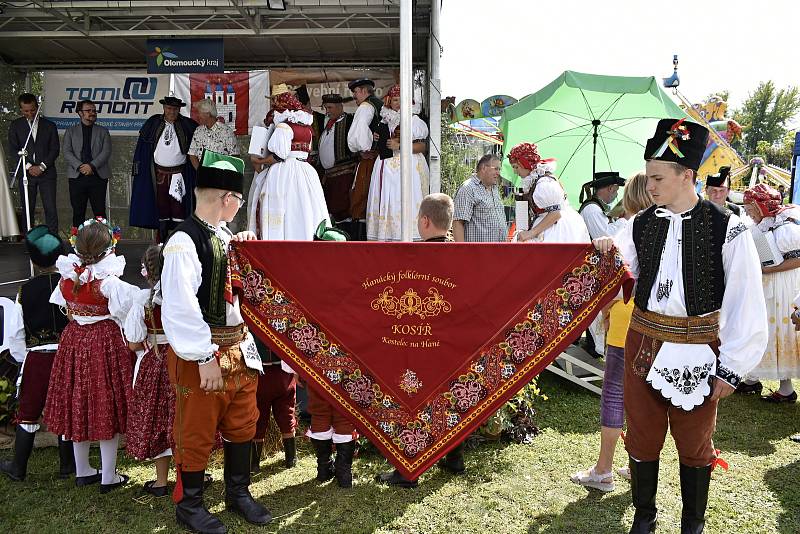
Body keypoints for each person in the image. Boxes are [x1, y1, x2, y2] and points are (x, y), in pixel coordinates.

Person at [593, 118, 767, 533]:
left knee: (694, 444)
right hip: (643, 341)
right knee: (642, 436)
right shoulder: (638, 224)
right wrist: (604, 249)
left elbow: (745, 300)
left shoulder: (729, 228)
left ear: (687, 175)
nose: (649, 186)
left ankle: (693, 524)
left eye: (657, 177)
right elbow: (620, 266)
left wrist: (732, 365)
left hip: (701, 346)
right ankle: (644, 518)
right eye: (649, 176)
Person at [161, 150, 270, 532]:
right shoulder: (182, 242)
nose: (238, 208)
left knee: (242, 424)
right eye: (238, 202)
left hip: (238, 348)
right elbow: (178, 307)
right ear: (227, 199)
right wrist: (203, 355)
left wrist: (243, 240)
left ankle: (237, 493)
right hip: (204, 354)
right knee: (196, 431)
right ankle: (189, 505)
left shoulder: (221, 234)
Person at [376, 193, 468, 488]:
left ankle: (407, 472)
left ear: (424, 221)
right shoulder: (463, 257)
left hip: (417, 347)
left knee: (412, 401)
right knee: (451, 397)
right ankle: (454, 457)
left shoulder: (410, 257)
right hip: (451, 347)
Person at [43, 217, 139, 493]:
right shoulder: (108, 282)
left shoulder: (67, 277)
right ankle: (108, 476)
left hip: (74, 341)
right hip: (104, 342)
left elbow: (69, 310)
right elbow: (131, 307)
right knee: (105, 403)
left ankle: (83, 470)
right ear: (108, 248)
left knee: (79, 403)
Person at [570, 172, 652, 492]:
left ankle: (603, 469)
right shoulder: (663, 227)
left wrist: (608, 247)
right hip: (653, 324)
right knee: (644, 396)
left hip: (627, 320)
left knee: (616, 394)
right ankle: (637, 464)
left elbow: (621, 275)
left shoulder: (633, 229)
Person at [0, 225, 72, 482]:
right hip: (66, 356)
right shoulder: (69, 286)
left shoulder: (25, 291)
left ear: (32, 260)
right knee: (65, 410)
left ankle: (18, 468)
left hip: (37, 358)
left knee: (28, 412)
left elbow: (15, 336)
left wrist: (25, 358)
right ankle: (67, 466)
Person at [305, 221, 358, 489]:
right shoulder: (355, 288)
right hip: (344, 362)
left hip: (317, 363)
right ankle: (342, 472)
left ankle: (324, 468)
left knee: (320, 411)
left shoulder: (309, 288)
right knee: (343, 412)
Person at [737, 184, 800, 402]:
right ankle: (752, 378)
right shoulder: (762, 225)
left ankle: (785, 388)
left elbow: (798, 259)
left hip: (784, 286)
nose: (748, 212)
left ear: (762, 206)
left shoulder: (788, 226)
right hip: (768, 283)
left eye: (750, 207)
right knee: (763, 329)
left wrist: (771, 269)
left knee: (780, 330)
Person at [123, 244, 176, 497]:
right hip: (181, 362)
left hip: (153, 363)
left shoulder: (143, 301)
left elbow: (133, 342)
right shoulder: (181, 299)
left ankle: (161, 482)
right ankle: (191, 474)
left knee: (157, 419)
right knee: (180, 416)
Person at [256, 91, 329, 240]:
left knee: (285, 206)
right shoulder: (307, 128)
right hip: (305, 170)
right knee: (305, 206)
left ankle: (283, 237)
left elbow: (279, 155)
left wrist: (260, 162)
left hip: (285, 171)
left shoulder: (284, 127)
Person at [365, 84, 429, 241]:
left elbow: (422, 146)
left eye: (402, 100)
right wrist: (377, 138)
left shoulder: (414, 120)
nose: (398, 103)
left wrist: (400, 146)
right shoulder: (385, 119)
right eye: (395, 100)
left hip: (408, 167)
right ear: (389, 101)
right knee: (388, 200)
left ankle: (408, 236)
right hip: (386, 166)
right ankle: (387, 236)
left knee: (405, 199)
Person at [130, 96, 199, 241]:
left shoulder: (188, 125)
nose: (171, 112)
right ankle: (161, 240)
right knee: (161, 207)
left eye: (174, 109)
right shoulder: (153, 123)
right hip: (158, 174)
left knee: (178, 207)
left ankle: (180, 239)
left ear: (179, 109)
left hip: (179, 174)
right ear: (164, 108)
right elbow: (142, 148)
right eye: (169, 108)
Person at [508, 143, 589, 244]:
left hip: (558, 228)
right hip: (547, 224)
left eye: (516, 167)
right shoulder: (535, 181)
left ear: (525, 164)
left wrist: (531, 233)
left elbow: (555, 214)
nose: (515, 172)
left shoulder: (544, 183)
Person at [8, 93, 60, 233]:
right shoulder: (16, 125)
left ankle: (53, 239)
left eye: (32, 110)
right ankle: (29, 241)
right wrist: (29, 167)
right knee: (27, 208)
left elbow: (55, 149)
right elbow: (13, 150)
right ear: (20, 110)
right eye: (26, 111)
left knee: (50, 208)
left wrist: (42, 166)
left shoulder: (49, 125)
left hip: (47, 173)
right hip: (27, 174)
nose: (30, 113)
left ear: (37, 107)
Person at [62, 99, 112, 229]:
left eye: (94, 110)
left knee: (100, 212)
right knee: (78, 212)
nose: (92, 113)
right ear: (80, 113)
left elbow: (106, 152)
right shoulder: (70, 131)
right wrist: (80, 166)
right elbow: (66, 152)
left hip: (98, 177)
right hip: (77, 177)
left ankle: (104, 244)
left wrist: (91, 166)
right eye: (88, 110)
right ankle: (77, 245)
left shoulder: (103, 131)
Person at [346, 78, 386, 240]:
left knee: (361, 195)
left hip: (370, 158)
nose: (355, 96)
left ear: (363, 91)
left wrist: (363, 149)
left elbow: (359, 132)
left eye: (355, 92)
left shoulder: (366, 106)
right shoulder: (380, 104)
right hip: (380, 157)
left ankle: (360, 237)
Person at [318, 93, 358, 229]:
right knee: (333, 209)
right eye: (325, 108)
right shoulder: (327, 124)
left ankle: (347, 238)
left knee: (344, 209)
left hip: (344, 174)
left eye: (330, 107)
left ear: (340, 106)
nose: (327, 111)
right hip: (330, 176)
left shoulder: (349, 121)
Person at [452, 154, 507, 242]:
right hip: (478, 253)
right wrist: (461, 252)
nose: (498, 173)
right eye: (496, 169)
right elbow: (458, 223)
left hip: (498, 251)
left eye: (499, 169)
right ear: (483, 168)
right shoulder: (468, 188)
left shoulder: (494, 188)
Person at [188, 99, 240, 170]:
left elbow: (235, 156)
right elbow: (192, 154)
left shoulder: (226, 131)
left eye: (199, 113)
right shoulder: (198, 131)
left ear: (208, 114)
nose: (198, 116)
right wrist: (200, 172)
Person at [578, 171, 626, 240]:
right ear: (610, 188)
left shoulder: (597, 207)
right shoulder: (592, 209)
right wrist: (624, 219)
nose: (617, 194)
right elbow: (605, 238)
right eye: (616, 190)